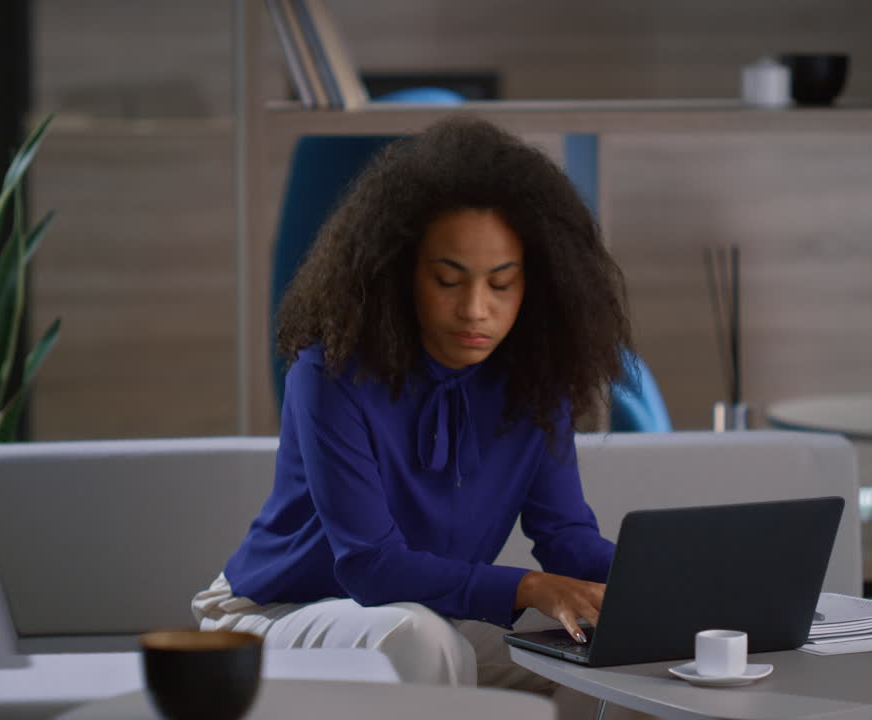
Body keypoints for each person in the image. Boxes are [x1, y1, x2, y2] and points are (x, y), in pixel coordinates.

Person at [193, 116, 634, 710]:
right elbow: (370, 566)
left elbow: (567, 539)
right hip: (274, 616)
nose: (476, 309)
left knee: (618, 664)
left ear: (540, 284)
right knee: (421, 639)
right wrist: (529, 588)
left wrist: (664, 589)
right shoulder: (330, 375)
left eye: (501, 284)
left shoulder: (535, 382)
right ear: (399, 272)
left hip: (428, 622)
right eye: (448, 280)